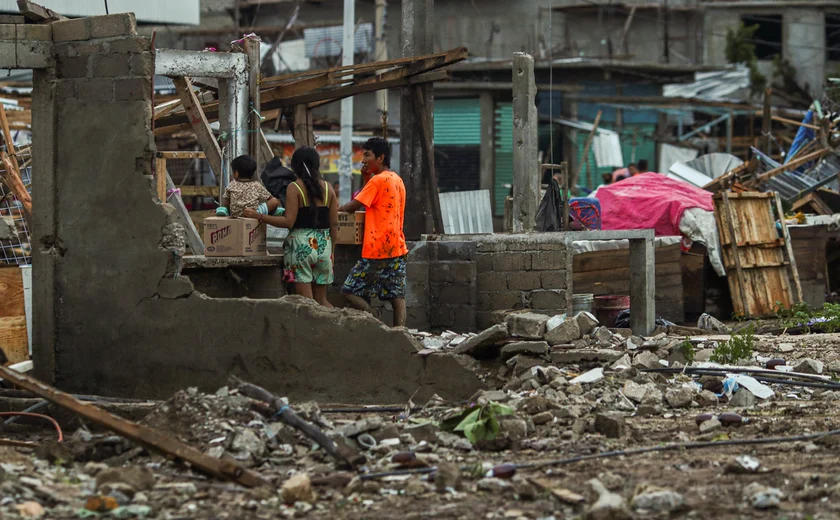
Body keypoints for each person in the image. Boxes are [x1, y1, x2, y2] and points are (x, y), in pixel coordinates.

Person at [244, 147, 338, 307]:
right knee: (322, 301)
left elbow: (288, 222)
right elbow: (334, 223)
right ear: (317, 164)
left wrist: (259, 216)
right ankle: (338, 328)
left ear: (295, 166)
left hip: (300, 248)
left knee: (307, 305)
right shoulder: (328, 188)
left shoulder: (295, 187)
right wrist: (332, 251)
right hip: (324, 247)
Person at [337, 137, 408, 327]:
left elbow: (354, 206)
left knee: (348, 291)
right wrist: (366, 178)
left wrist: (336, 210)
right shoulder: (397, 179)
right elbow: (376, 200)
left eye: (367, 155)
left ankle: (373, 318)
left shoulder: (377, 180)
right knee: (397, 295)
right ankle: (401, 332)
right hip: (397, 247)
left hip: (376, 248)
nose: (363, 160)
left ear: (380, 157)